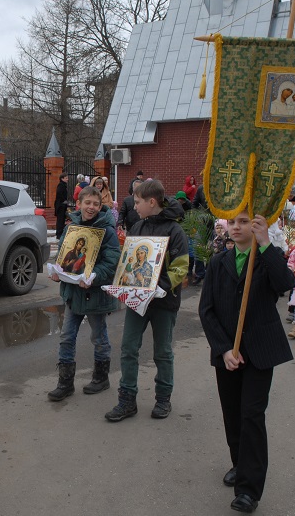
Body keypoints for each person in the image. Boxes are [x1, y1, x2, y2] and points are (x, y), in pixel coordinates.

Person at [198, 210, 295, 514]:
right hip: (228, 353)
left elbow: (285, 283)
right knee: (232, 414)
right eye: (233, 222)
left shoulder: (267, 258)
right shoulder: (218, 262)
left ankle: (249, 490)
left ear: (257, 226)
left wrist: (265, 243)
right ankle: (239, 463)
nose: (237, 227)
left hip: (260, 351)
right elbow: (206, 310)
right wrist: (224, 349)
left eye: (244, 222)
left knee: (251, 414)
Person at [105, 180, 189, 422]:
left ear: (152, 202)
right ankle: (127, 400)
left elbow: (181, 267)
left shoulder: (175, 230)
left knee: (162, 352)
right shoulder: (138, 227)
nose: (134, 206)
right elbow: (129, 261)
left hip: (164, 302)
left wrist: (160, 288)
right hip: (137, 301)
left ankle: (163, 398)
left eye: (137, 201)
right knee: (129, 348)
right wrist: (122, 281)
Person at [48, 185, 121, 401]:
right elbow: (63, 257)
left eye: (96, 204)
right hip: (74, 293)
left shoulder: (107, 231)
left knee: (98, 336)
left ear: (101, 206)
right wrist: (58, 272)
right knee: (66, 337)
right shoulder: (72, 228)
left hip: (95, 294)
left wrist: (94, 276)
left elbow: (112, 262)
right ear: (78, 204)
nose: (91, 207)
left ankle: (101, 378)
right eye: (87, 203)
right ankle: (65, 383)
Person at [54, 173, 69, 239]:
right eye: (66, 178)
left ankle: (60, 233)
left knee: (62, 220)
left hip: (62, 205)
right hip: (60, 206)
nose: (67, 179)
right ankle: (59, 234)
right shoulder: (61, 185)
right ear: (62, 178)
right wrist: (64, 200)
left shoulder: (63, 185)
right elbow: (59, 194)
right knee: (60, 220)